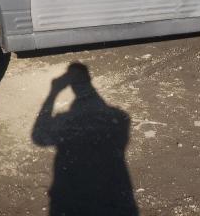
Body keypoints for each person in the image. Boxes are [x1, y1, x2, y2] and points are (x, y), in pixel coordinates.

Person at [32, 62, 138, 216]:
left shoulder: (68, 119)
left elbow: (39, 138)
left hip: (74, 196)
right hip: (113, 192)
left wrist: (54, 92)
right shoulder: (121, 117)